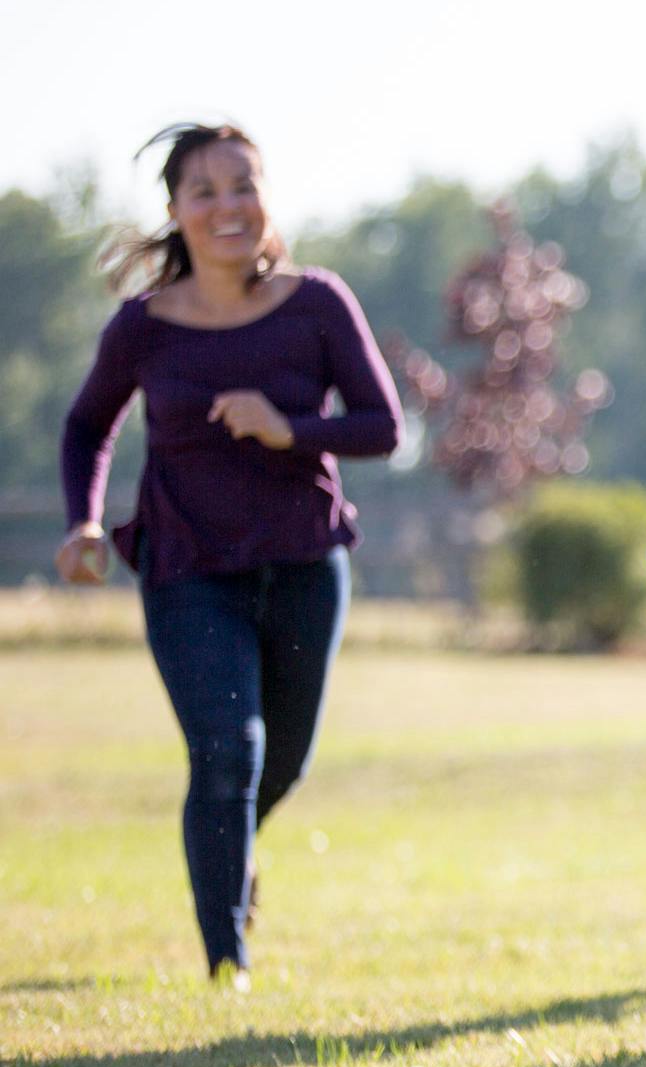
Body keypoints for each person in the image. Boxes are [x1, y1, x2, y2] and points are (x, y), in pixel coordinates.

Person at [55, 123, 403, 990]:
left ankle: (231, 861)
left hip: (303, 563)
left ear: (267, 196)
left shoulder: (317, 301)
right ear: (175, 212)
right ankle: (226, 959)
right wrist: (85, 521)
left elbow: (383, 426)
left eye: (241, 185)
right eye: (203, 191)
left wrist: (290, 429)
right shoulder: (143, 327)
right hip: (187, 568)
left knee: (281, 760)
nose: (226, 206)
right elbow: (86, 424)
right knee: (227, 749)